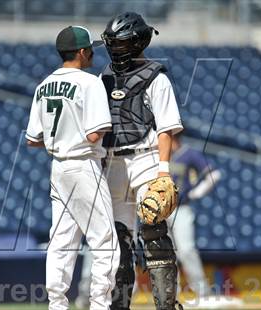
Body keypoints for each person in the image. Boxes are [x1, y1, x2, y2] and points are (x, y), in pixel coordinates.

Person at [25, 26, 120, 310]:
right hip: (83, 165)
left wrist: (62, 141)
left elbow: (33, 139)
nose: (92, 52)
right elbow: (95, 134)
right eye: (89, 48)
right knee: (104, 241)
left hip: (58, 167)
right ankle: (100, 305)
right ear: (81, 52)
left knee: (62, 240)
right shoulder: (90, 83)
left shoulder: (43, 85)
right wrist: (75, 141)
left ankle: (56, 304)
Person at [100, 12, 184, 310]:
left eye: (121, 43)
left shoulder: (156, 77)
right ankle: (119, 305)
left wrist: (164, 171)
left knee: (154, 234)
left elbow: (167, 129)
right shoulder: (104, 78)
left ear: (137, 42)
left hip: (146, 159)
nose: (116, 49)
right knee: (119, 243)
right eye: (113, 43)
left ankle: (166, 305)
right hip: (113, 164)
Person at [167, 136, 222, 298]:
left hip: (181, 208)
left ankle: (203, 293)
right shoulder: (158, 154)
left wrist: (196, 193)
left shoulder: (189, 153)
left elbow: (214, 174)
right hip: (161, 212)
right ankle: (170, 296)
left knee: (186, 250)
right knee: (166, 254)